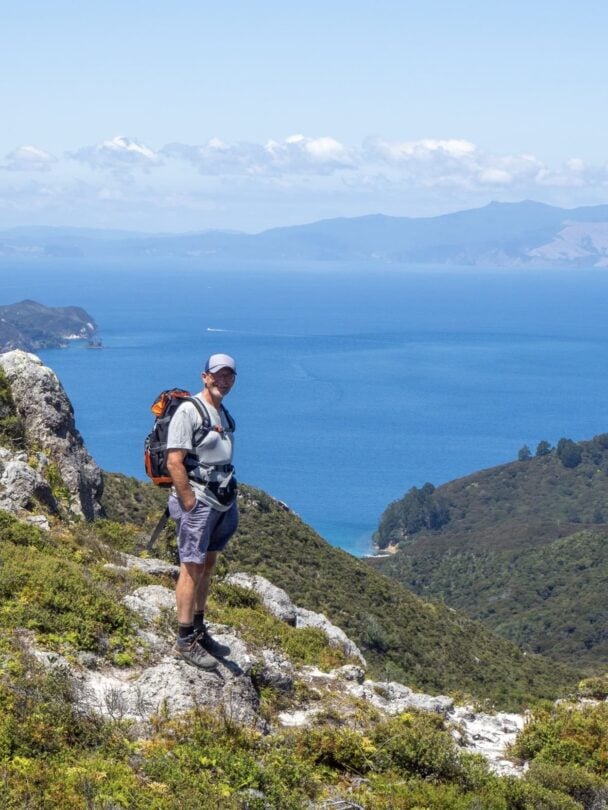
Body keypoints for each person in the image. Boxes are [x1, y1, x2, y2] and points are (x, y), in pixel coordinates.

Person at [166, 353, 238, 668]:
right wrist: (188, 501)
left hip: (221, 499)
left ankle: (198, 628)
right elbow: (174, 461)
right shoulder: (189, 411)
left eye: (229, 376)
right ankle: (184, 639)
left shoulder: (221, 411)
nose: (223, 380)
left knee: (207, 566)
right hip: (198, 500)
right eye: (218, 375)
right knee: (192, 567)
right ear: (205, 376)